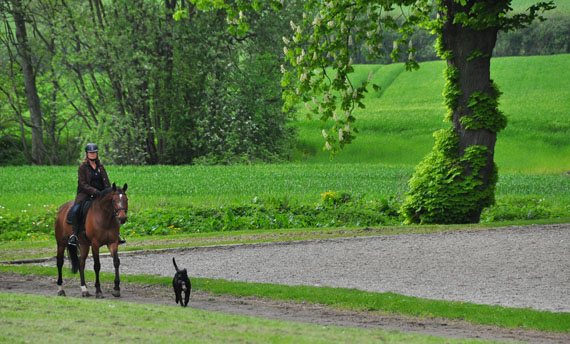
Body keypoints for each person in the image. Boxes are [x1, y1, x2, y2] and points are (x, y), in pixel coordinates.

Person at [68, 143, 126, 246]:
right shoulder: (83, 167)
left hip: (101, 195)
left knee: (113, 208)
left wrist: (109, 192)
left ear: (97, 153)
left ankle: (115, 234)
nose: (92, 154)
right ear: (87, 154)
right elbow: (82, 184)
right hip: (85, 195)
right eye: (90, 153)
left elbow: (106, 182)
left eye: (94, 152)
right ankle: (74, 235)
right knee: (76, 210)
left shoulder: (101, 167)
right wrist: (94, 191)